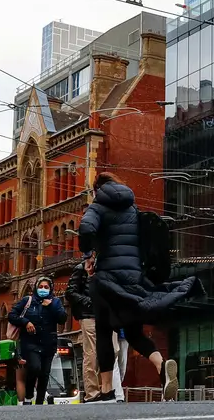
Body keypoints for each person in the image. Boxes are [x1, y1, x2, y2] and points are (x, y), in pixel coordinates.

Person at [80, 171, 198, 402]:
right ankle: (161, 365)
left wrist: (88, 255)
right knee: (133, 331)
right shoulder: (132, 208)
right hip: (133, 277)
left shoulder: (97, 206)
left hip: (106, 277)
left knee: (104, 331)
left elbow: (86, 229)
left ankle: (106, 390)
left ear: (97, 190)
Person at [9, 276, 67, 405]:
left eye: (46, 287)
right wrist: (26, 322)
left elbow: (62, 319)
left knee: (44, 374)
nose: (43, 289)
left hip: (48, 343)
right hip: (30, 343)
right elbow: (11, 315)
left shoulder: (55, 302)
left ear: (50, 289)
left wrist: (51, 306)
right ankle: (29, 394)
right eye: (40, 287)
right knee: (35, 367)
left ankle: (40, 403)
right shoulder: (27, 300)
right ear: (36, 288)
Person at [66, 253, 100, 403]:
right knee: (91, 353)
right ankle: (92, 393)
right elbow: (70, 292)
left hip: (105, 316)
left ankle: (104, 388)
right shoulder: (80, 268)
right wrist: (88, 302)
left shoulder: (105, 268)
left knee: (111, 352)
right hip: (88, 316)